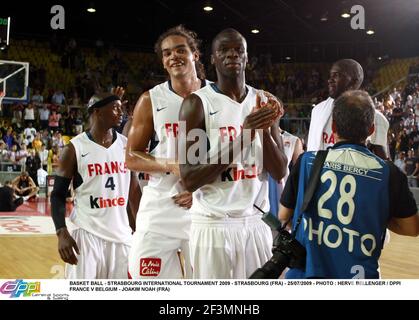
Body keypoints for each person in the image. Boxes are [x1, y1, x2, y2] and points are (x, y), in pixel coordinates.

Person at [178, 28, 288, 278]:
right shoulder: (196, 104)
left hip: (256, 224)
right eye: (224, 50)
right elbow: (190, 178)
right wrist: (245, 135)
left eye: (239, 50)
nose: (232, 55)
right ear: (213, 59)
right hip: (213, 225)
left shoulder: (264, 102)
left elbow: (280, 170)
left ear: (247, 58)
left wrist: (260, 132)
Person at [279, 90, 419, 279]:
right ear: (371, 130)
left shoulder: (306, 162)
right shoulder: (389, 173)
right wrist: (373, 215)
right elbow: (411, 228)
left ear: (334, 127)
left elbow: (283, 215)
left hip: (305, 276)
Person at [126, 25, 207, 279]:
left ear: (195, 54)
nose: (173, 56)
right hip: (162, 204)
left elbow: (232, 150)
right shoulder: (151, 100)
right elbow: (131, 157)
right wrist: (172, 165)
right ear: (163, 62)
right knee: (144, 281)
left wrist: (198, 186)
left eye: (181, 50)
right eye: (167, 53)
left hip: (206, 205)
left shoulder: (217, 96)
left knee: (209, 283)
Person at [50, 90, 140, 279]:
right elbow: (57, 194)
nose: (120, 112)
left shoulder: (126, 145)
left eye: (121, 108)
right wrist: (61, 232)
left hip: (122, 238)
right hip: (87, 236)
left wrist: (140, 230)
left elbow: (133, 191)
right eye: (115, 108)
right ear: (97, 111)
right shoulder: (74, 149)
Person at [307, 59, 389, 159]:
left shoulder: (376, 118)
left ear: (354, 81)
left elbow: (382, 160)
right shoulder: (317, 111)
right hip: (319, 173)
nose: (330, 80)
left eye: (336, 75)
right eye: (331, 75)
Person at [268, 98, 304, 217]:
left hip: (282, 199)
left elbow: (300, 177)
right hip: (257, 200)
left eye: (272, 107)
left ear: (281, 112)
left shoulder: (294, 141)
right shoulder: (252, 136)